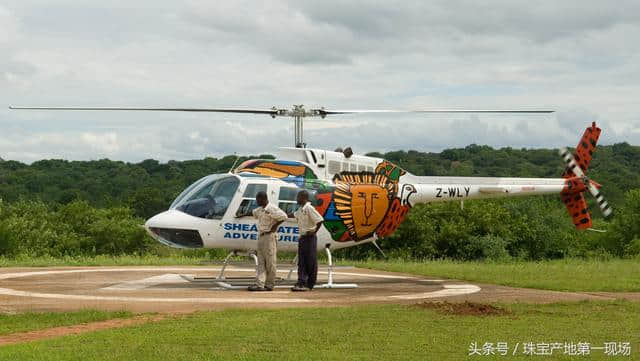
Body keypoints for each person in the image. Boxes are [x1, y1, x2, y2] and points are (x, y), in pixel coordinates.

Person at [248, 191, 287, 291]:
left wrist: (275, 226)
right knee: (261, 262)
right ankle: (260, 284)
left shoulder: (271, 208)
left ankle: (269, 284)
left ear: (263, 199)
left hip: (269, 237)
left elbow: (284, 216)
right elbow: (252, 212)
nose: (257, 202)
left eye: (258, 200)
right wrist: (240, 214)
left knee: (270, 262)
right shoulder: (260, 210)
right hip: (261, 236)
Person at [292, 190, 324, 291]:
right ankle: (301, 281)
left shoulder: (309, 208)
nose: (297, 199)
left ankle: (310, 283)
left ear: (303, 197)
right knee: (302, 261)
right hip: (303, 238)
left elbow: (319, 220)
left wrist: (314, 231)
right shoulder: (301, 209)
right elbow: (294, 215)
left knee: (310, 261)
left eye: (298, 197)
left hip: (310, 238)